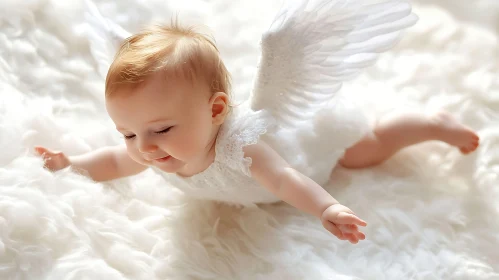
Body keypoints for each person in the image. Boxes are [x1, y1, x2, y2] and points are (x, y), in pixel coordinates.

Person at [35, 1, 479, 244]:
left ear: (215, 111)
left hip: (307, 141)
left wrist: (327, 208)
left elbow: (285, 180)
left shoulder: (240, 147)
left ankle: (431, 123)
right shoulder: (153, 149)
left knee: (366, 149)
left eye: (161, 129)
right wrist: (69, 163)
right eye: (128, 132)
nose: (144, 147)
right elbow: (114, 162)